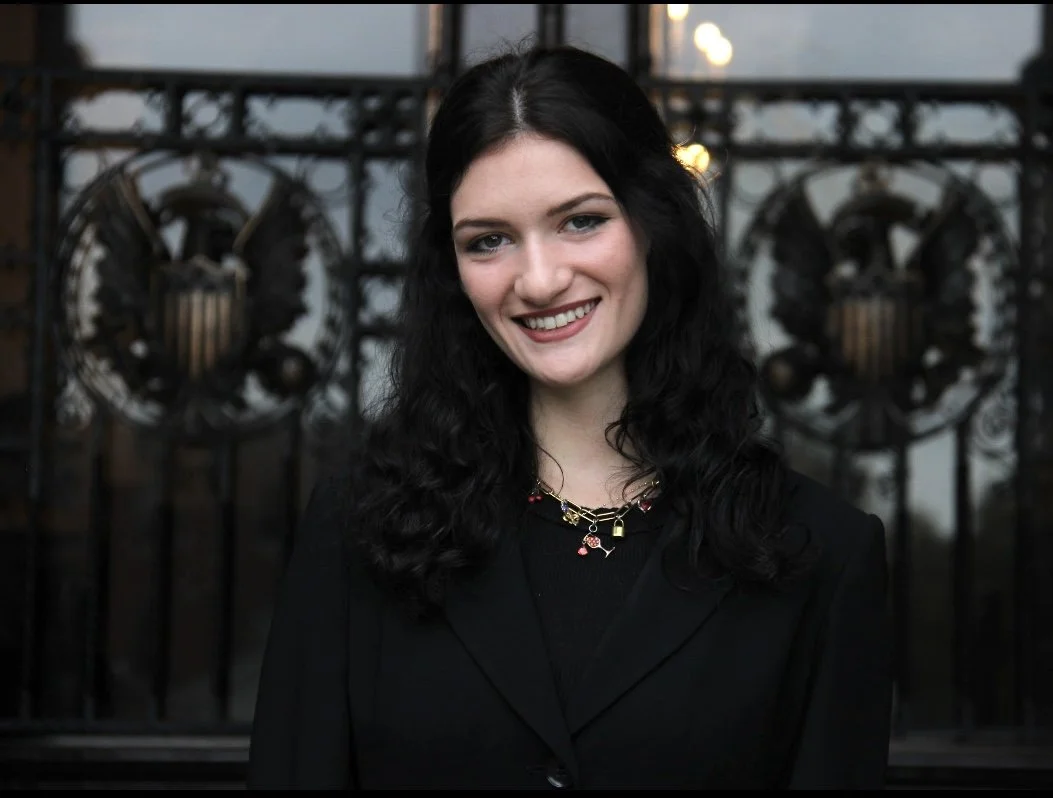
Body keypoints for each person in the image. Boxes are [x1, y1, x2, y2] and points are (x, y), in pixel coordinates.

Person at [246, 41, 893, 790]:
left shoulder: (819, 556)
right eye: (488, 240)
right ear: (451, 272)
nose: (541, 279)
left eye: (580, 221)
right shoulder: (356, 532)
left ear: (654, 225)